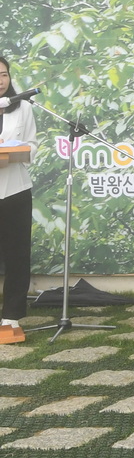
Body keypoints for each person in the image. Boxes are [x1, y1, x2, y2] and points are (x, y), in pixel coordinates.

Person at [0, 58, 37, 345]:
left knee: (16, 253)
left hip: (15, 189)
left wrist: (18, 152)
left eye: (3, 74)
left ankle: (11, 317)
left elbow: (32, 144)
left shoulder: (23, 107)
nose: (0, 80)